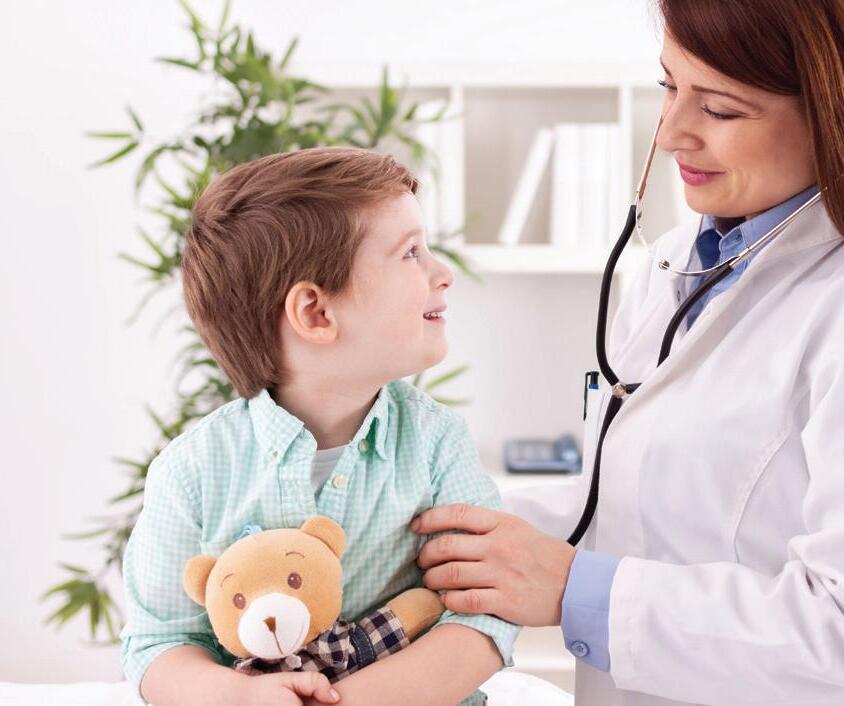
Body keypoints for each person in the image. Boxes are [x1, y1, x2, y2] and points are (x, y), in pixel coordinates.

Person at [412, 1, 844, 704]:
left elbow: (835, 628)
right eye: (668, 86)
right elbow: (625, 502)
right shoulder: (673, 266)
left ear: (832, 114)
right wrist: (435, 528)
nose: (669, 133)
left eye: (721, 109)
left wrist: (576, 591)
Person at [119, 147, 519, 706]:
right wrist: (246, 699)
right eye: (410, 252)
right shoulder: (191, 471)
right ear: (316, 313)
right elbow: (158, 643)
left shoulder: (436, 444)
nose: (443, 273)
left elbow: (486, 613)